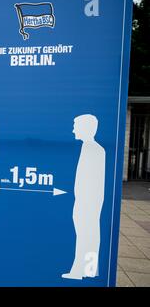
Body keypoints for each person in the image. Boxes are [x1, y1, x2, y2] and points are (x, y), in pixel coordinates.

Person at [62, 114, 106, 280]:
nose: (73, 129)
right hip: (90, 203)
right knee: (91, 235)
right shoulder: (94, 149)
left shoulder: (92, 149)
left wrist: (82, 204)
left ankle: (78, 271)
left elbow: (90, 182)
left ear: (85, 128)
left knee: (85, 236)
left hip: (87, 203)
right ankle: (90, 270)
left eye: (76, 125)